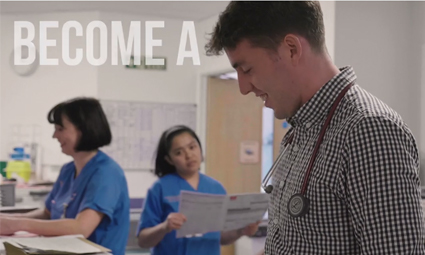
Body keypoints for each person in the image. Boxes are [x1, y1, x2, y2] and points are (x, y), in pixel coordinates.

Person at [205, 1, 425, 254]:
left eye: (247, 69)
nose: (243, 88)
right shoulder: (300, 132)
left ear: (291, 49)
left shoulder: (369, 130)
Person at [0, 97, 130, 255]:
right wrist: (7, 219)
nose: (55, 136)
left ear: (83, 129)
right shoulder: (68, 170)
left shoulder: (107, 173)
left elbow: (81, 228)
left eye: (60, 129)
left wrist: (19, 224)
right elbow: (47, 214)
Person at [137, 125, 260, 255]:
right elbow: (143, 240)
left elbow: (221, 237)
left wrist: (240, 231)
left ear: (200, 148)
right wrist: (165, 227)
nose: (189, 155)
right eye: (179, 152)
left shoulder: (216, 188)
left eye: (192, 147)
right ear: (169, 160)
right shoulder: (160, 188)